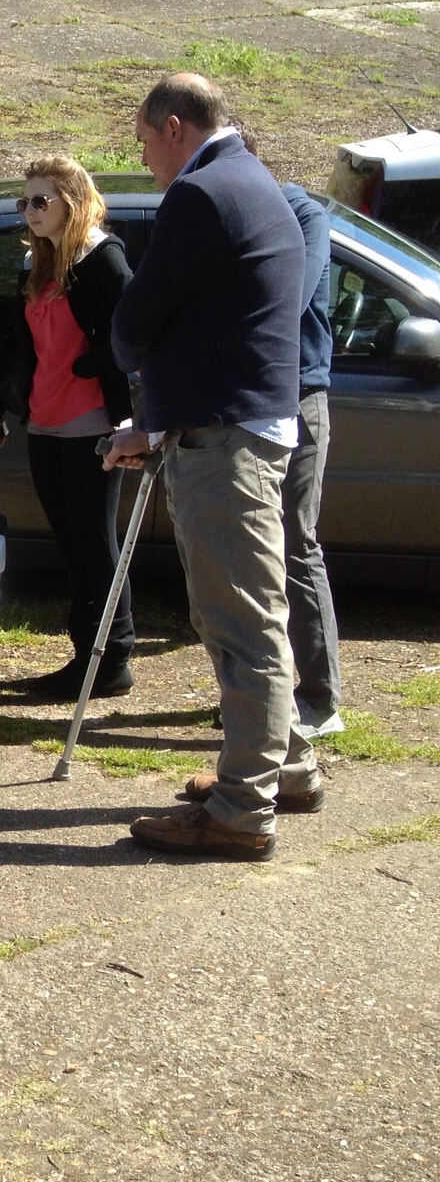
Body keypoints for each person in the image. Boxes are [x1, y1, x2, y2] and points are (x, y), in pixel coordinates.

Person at [105, 72, 318, 861]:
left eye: (144, 145)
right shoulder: (258, 181)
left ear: (171, 126)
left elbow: (139, 317)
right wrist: (154, 423)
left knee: (242, 628)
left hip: (226, 442)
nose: (148, 162)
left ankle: (239, 812)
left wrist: (140, 376)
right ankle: (282, 767)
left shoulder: (202, 193)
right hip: (245, 426)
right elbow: (222, 329)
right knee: (255, 618)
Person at [0, 155, 137, 701]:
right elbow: (21, 343)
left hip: (91, 423)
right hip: (44, 423)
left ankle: (111, 657)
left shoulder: (102, 260)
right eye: (24, 202)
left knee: (94, 542)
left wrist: (88, 369)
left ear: (72, 201)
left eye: (41, 201)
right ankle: (85, 655)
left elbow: (132, 336)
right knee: (71, 544)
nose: (30, 212)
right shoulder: (41, 261)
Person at [236, 125, 342, 737]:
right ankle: (267, 694)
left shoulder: (300, 213)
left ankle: (321, 699)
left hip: (296, 398)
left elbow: (283, 303)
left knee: (296, 544)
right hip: (246, 402)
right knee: (255, 552)